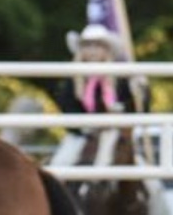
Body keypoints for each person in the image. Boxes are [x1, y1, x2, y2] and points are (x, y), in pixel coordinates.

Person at [49, 23, 140, 168]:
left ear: (107, 50)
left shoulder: (120, 79)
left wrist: (139, 91)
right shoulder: (73, 79)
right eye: (87, 46)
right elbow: (66, 106)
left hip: (114, 134)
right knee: (59, 165)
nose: (92, 51)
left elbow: (132, 108)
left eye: (98, 46)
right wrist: (84, 126)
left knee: (141, 171)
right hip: (81, 135)